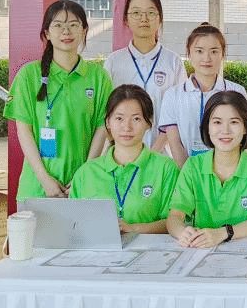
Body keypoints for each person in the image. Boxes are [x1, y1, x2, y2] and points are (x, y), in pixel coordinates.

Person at [4, 0, 112, 201]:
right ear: (46, 33)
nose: (66, 31)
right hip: (37, 187)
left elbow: (102, 127)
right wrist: (44, 178)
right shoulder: (29, 75)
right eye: (58, 25)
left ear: (84, 31)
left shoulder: (98, 77)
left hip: (81, 187)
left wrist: (83, 175)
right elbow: (24, 130)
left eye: (73, 24)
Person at [167, 91, 247, 247]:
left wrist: (223, 233)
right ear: (207, 127)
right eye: (217, 122)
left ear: (246, 127)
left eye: (234, 122)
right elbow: (174, 217)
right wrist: (183, 233)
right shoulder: (193, 166)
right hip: (201, 249)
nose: (225, 130)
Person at [69, 85, 178, 233]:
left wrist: (133, 228)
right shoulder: (86, 173)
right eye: (119, 118)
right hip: (98, 248)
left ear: (148, 123)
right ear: (108, 122)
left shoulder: (166, 169)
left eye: (136, 119)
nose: (127, 127)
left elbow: (175, 221)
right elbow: (73, 224)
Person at [103, 0, 186, 151]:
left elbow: (178, 112)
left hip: (162, 154)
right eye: (136, 13)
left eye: (151, 13)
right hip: (121, 152)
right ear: (126, 20)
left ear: (160, 19)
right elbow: (106, 111)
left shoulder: (173, 62)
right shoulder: (114, 62)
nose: (144, 19)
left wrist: (154, 152)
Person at [158, 23, 247, 167]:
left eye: (214, 51)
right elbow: (174, 142)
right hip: (185, 171)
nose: (207, 58)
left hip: (227, 171)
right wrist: (189, 175)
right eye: (199, 51)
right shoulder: (173, 95)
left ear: (222, 54)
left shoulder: (236, 92)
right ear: (189, 54)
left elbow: (240, 139)